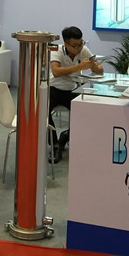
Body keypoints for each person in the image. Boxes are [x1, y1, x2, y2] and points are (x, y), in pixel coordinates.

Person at [48, 26, 104, 162]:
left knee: (85, 113)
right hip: (53, 89)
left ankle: (65, 137)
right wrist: (79, 67)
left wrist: (95, 67)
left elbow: (100, 70)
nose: (79, 48)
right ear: (66, 44)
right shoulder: (56, 51)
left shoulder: (83, 49)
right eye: (75, 46)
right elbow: (56, 71)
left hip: (72, 90)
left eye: (81, 44)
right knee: (43, 113)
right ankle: (55, 145)